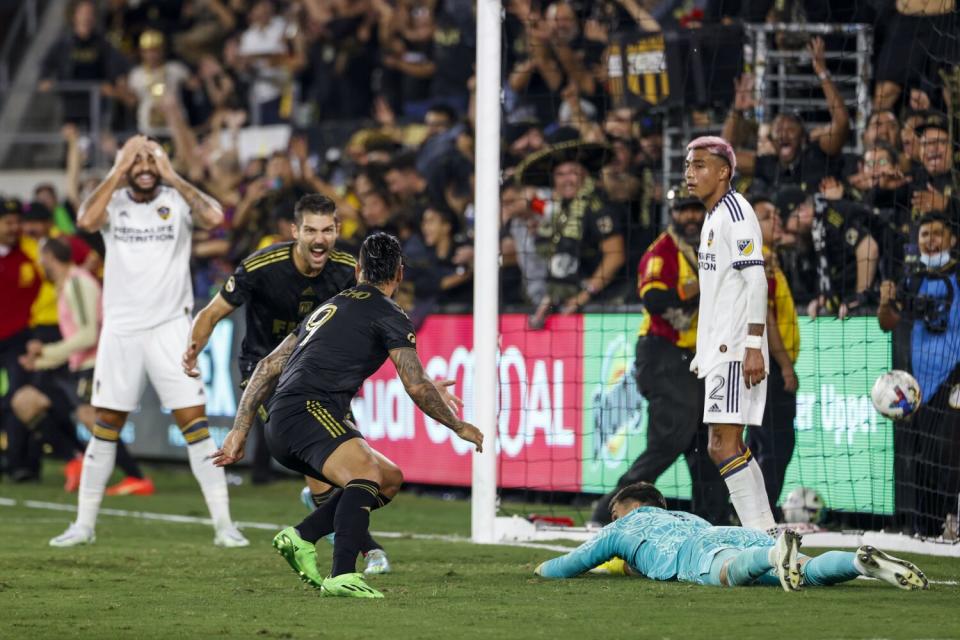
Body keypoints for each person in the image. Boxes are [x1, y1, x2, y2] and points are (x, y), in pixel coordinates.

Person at [210, 233, 484, 598]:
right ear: (399, 274)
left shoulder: (329, 307)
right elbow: (415, 386)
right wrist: (459, 425)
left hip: (286, 416)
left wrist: (239, 430)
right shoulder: (391, 314)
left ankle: (303, 536)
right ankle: (342, 575)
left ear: (357, 270)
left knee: (388, 478)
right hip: (307, 412)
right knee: (366, 473)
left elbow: (267, 364)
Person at [49, 135, 247, 548]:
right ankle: (84, 525)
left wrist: (172, 174)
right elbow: (85, 221)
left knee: (195, 426)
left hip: (170, 328)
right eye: (135, 158)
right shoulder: (113, 201)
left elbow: (215, 217)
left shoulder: (176, 201)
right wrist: (118, 167)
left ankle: (224, 525)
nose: (144, 165)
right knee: (105, 427)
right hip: (121, 331)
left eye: (151, 158)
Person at [183, 193, 393, 574]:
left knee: (350, 462)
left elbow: (387, 316)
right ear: (295, 231)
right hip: (267, 374)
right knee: (317, 456)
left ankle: (326, 516)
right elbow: (213, 312)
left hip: (321, 375)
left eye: (327, 230)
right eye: (311, 230)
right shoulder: (262, 267)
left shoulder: (348, 269)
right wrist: (192, 348)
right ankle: (365, 551)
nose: (319, 239)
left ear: (337, 230)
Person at [589, 185, 728, 526]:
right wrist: (692, 288)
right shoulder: (662, 253)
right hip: (662, 354)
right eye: (684, 210)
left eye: (696, 208)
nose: (692, 216)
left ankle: (712, 518)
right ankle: (610, 509)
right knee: (670, 439)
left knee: (703, 443)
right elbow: (653, 300)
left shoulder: (705, 248)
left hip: (693, 358)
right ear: (672, 214)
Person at [535, 482, 929, 592]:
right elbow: (625, 566)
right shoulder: (683, 514)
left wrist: (540, 567)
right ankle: (857, 562)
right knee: (806, 572)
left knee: (726, 573)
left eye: (614, 512)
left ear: (631, 508)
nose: (611, 518)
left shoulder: (623, 526)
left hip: (694, 552)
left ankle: (775, 556)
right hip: (725, 531)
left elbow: (570, 564)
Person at [684, 136, 775, 532]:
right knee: (728, 445)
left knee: (720, 445)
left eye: (700, 165)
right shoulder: (714, 214)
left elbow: (758, 281)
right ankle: (766, 532)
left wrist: (752, 346)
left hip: (737, 348)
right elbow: (722, 291)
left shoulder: (736, 214)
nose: (690, 173)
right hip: (721, 348)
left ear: (724, 172)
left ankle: (760, 533)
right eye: (689, 165)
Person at [19, 237, 152, 496]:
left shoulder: (78, 283)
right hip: (76, 363)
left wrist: (46, 354)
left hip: (96, 361)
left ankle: (135, 476)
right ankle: (75, 458)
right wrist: (44, 359)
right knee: (26, 402)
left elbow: (88, 334)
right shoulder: (68, 284)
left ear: (49, 258)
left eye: (41, 259)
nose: (40, 264)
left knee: (91, 417)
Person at [878, 212, 960, 539]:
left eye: (937, 234)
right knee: (923, 458)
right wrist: (885, 302)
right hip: (917, 384)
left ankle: (952, 518)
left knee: (949, 453)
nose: (931, 240)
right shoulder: (909, 278)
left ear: (951, 239)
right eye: (924, 234)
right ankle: (926, 528)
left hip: (954, 375)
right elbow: (888, 322)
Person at [747, 195, 800, 517]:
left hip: (763, 366)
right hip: (769, 367)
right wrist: (786, 367)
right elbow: (765, 320)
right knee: (777, 444)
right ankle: (761, 512)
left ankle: (750, 511)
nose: (777, 220)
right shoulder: (761, 263)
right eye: (767, 216)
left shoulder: (771, 261)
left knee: (759, 443)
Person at [0, 198, 41, 481]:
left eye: (17, 222)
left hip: (17, 340)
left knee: (16, 400)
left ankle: (18, 463)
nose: (15, 228)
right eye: (8, 222)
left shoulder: (30, 252)